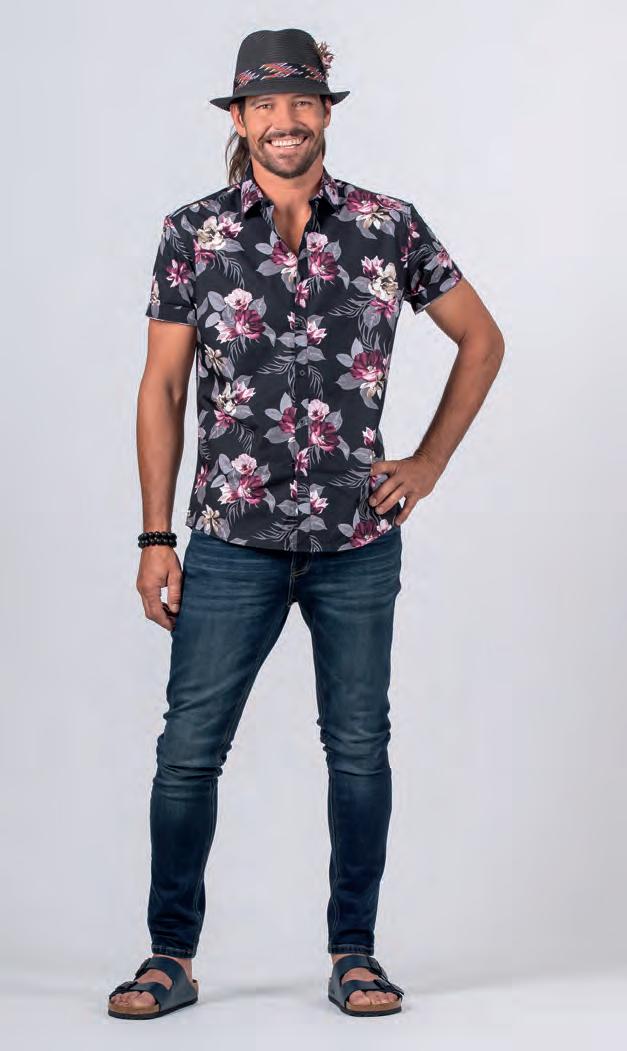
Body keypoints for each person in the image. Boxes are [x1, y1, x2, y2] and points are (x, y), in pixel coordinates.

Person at [107, 27, 504, 1021]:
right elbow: (162, 388)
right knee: (188, 750)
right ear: (241, 120)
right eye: (264, 105)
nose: (284, 121)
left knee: (358, 748)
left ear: (325, 112)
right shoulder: (193, 233)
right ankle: (169, 956)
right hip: (229, 538)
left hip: (355, 543)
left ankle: (354, 954)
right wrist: (155, 538)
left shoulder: (388, 225)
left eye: (300, 103)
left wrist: (427, 462)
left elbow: (481, 340)